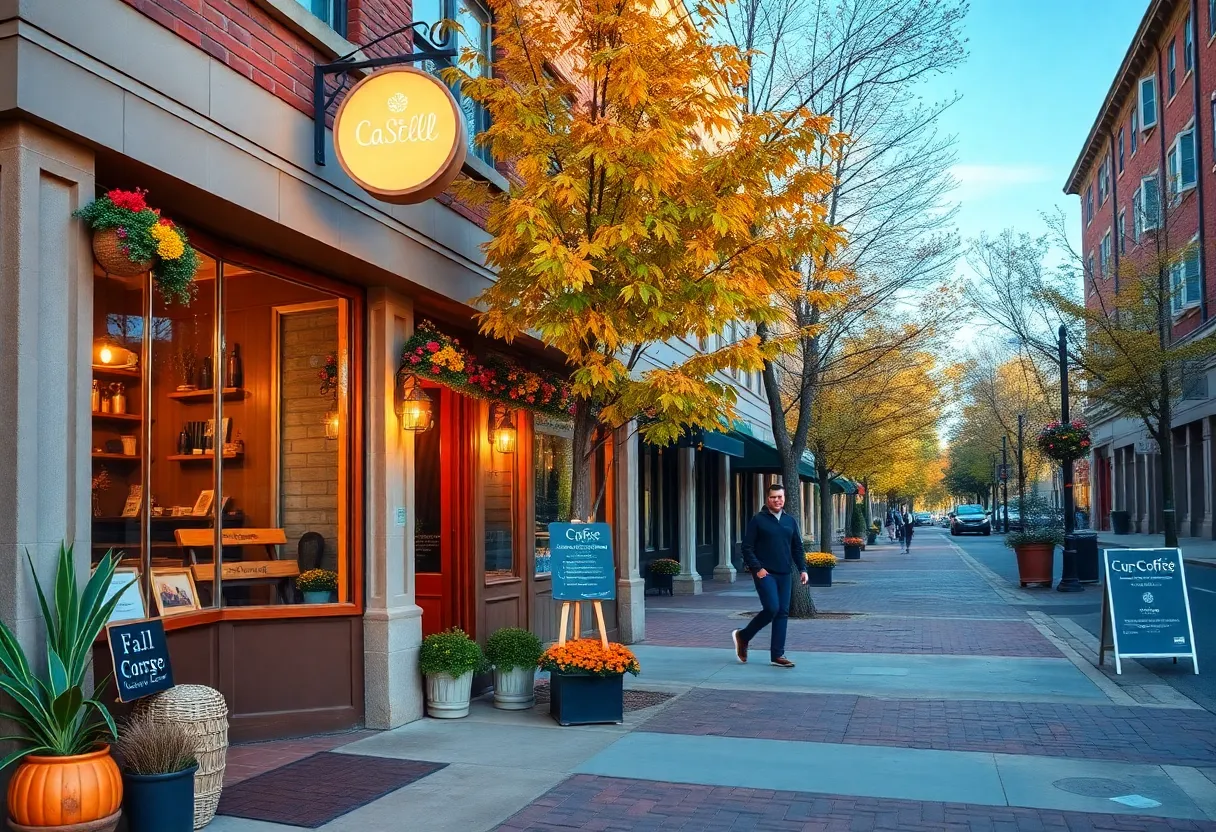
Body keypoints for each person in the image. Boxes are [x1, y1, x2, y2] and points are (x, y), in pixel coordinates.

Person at [732, 483, 809, 668]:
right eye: (774, 497)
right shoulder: (758, 520)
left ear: (784, 498)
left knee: (782, 612)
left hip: (785, 573)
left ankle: (777, 655)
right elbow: (747, 547)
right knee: (772, 608)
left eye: (780, 497)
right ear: (768, 499)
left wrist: (803, 569)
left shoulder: (790, 521)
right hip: (765, 573)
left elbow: (797, 547)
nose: (777, 500)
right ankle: (743, 636)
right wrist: (757, 568)